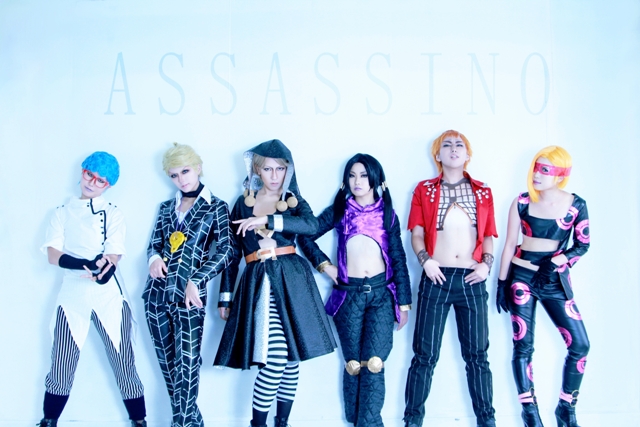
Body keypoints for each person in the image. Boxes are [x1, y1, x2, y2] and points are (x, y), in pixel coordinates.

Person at [215, 139, 336, 427]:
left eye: (280, 169)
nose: (274, 175)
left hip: (292, 280)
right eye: (267, 169)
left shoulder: (294, 201)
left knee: (290, 360)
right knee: (276, 359)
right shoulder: (243, 203)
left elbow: (311, 226)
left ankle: (281, 423)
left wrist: (269, 220)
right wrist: (225, 296)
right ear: (257, 169)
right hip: (258, 282)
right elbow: (231, 253)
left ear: (288, 170)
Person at [297, 153, 412, 427]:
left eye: (363, 175)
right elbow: (305, 235)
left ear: (376, 179)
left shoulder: (387, 213)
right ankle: (356, 420)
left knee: (374, 362)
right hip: (348, 296)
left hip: (382, 296)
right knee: (354, 364)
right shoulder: (340, 211)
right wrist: (326, 267)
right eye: (352, 175)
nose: (357, 181)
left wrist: (404, 304)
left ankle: (370, 423)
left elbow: (398, 257)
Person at [39, 152, 146, 427]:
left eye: (101, 180)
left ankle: (139, 420)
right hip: (72, 293)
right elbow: (53, 255)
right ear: (83, 171)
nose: (92, 182)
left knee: (123, 362)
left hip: (108, 295)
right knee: (61, 362)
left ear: (108, 185)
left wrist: (102, 272)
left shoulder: (113, 213)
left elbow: (114, 254)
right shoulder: (61, 213)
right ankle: (49, 420)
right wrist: (83, 264)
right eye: (90, 175)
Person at [403, 130, 497, 427]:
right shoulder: (424, 190)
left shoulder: (483, 191)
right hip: (437, 277)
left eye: (459, 145)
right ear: (438, 154)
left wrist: (486, 266)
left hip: (472, 279)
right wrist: (426, 261)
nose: (453, 149)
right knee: (424, 355)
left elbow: (488, 236)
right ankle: (412, 421)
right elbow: (416, 234)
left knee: (477, 356)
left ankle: (487, 421)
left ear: (468, 154)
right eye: (447, 145)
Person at [496, 146, 589, 427]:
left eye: (545, 169)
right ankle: (530, 414)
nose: (537, 173)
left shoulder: (576, 205)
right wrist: (502, 282)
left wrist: (557, 261)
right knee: (523, 346)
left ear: (560, 175)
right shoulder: (522, 202)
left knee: (580, 345)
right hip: (521, 279)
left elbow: (582, 244)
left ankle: (566, 408)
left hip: (554, 280)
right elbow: (509, 245)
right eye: (536, 167)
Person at [143, 142, 234, 427]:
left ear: (198, 167)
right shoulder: (165, 208)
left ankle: (180, 424)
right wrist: (153, 258)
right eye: (174, 175)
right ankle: (191, 422)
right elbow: (155, 243)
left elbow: (227, 251)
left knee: (188, 364)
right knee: (169, 366)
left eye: (185, 171)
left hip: (189, 296)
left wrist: (197, 279)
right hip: (156, 294)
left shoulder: (216, 207)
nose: (181, 179)